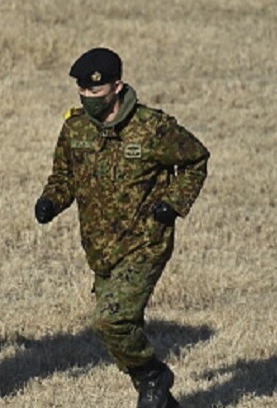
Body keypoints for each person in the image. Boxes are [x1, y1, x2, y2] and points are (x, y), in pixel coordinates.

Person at [34, 47, 209, 408]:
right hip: (101, 248)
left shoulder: (152, 128)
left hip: (145, 243)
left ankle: (152, 376)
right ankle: (160, 398)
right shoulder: (75, 128)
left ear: (117, 87)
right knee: (120, 330)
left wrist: (172, 204)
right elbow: (64, 176)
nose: (88, 99)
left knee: (110, 321)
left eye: (96, 93)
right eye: (82, 92)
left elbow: (195, 159)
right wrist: (51, 200)